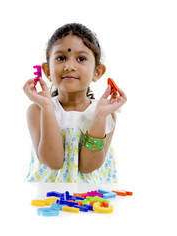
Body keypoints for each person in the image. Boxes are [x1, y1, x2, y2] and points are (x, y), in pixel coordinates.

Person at [23, 23, 127, 183]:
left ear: (97, 72)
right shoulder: (37, 110)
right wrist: (47, 108)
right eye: (61, 58)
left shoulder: (106, 113)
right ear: (47, 71)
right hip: (48, 200)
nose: (69, 66)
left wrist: (99, 116)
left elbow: (88, 166)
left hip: (90, 200)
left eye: (81, 59)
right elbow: (54, 162)